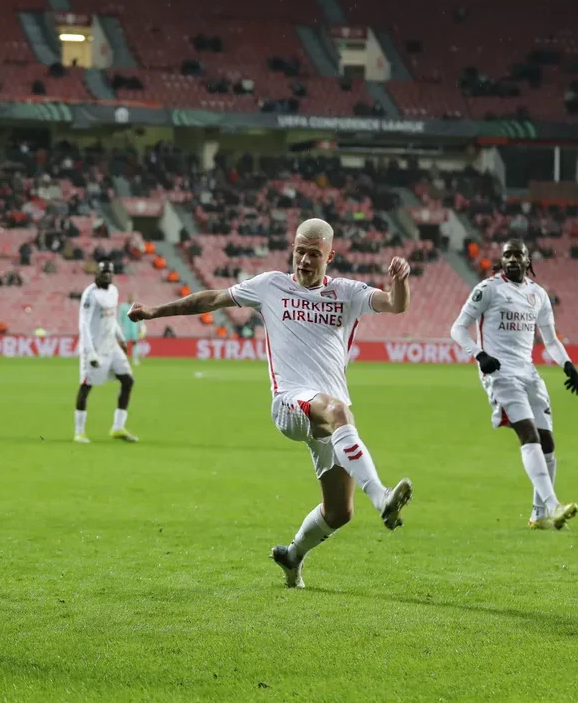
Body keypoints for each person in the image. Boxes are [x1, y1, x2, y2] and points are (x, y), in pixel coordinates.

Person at [128, 219, 414, 589]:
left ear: (330, 256)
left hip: (327, 418)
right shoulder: (270, 285)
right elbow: (211, 299)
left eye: (314, 254)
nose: (305, 260)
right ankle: (382, 498)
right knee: (339, 411)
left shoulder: (347, 292)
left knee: (339, 511)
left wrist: (400, 280)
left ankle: (292, 556)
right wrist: (154, 312)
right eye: (300, 251)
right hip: (290, 404)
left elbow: (395, 304)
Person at [449, 239, 578, 530]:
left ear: (527, 260)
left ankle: (539, 515)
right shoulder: (488, 289)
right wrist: (479, 354)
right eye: (507, 254)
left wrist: (567, 364)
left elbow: (550, 340)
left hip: (529, 374)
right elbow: (457, 328)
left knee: (548, 442)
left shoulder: (538, 294)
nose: (511, 259)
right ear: (502, 259)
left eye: (517, 255)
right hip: (500, 374)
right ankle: (553, 506)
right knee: (528, 434)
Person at [74, 261, 138, 443]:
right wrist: (90, 352)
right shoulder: (90, 294)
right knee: (86, 386)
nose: (107, 275)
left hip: (111, 345)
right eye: (103, 272)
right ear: (97, 273)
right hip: (94, 347)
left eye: (110, 272)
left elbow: (112, 318)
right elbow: (84, 324)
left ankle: (118, 427)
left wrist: (121, 338)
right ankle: (79, 432)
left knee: (128, 380)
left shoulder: (114, 291)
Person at [117, 290, 146, 368]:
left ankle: (135, 359)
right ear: (128, 297)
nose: (131, 298)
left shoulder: (136, 307)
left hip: (134, 328)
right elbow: (120, 318)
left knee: (135, 343)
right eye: (130, 296)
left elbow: (140, 318)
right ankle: (123, 359)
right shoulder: (123, 306)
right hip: (125, 329)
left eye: (132, 297)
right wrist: (119, 327)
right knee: (124, 344)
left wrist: (141, 326)